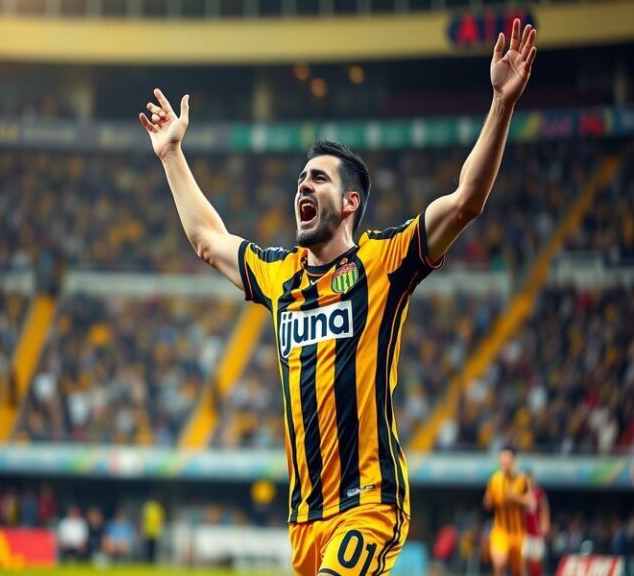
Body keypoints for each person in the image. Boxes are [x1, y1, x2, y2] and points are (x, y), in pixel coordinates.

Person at [140, 19, 537, 576]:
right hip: (305, 519)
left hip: (370, 503)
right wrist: (171, 155)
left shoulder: (383, 261)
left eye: (319, 179)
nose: (303, 184)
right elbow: (208, 240)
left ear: (350, 202)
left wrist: (501, 103)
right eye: (301, 178)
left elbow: (466, 200)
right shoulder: (279, 275)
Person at [484, 447, 532, 576]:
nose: (505, 460)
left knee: (519, 571)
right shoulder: (494, 480)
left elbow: (531, 502)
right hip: (500, 531)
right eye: (502, 457)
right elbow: (487, 503)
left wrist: (514, 497)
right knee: (499, 564)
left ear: (513, 460)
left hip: (519, 533)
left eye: (507, 457)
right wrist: (488, 501)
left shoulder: (522, 479)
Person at [523, 468, 550, 576]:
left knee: (536, 561)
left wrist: (545, 524)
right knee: (524, 559)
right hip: (524, 532)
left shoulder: (539, 493)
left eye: (530, 478)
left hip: (537, 531)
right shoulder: (521, 493)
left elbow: (545, 509)